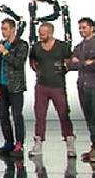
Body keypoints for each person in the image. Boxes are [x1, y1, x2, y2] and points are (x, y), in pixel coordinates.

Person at [28, 22, 76, 157]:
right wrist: (39, 71)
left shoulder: (62, 46)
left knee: (64, 114)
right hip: (41, 86)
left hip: (57, 86)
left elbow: (70, 61)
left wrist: (63, 69)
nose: (40, 36)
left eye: (43, 34)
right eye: (39, 33)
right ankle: (38, 144)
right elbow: (32, 61)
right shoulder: (36, 47)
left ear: (50, 33)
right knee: (39, 115)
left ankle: (70, 144)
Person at [67, 17, 95, 163]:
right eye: (80, 28)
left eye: (84, 27)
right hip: (82, 85)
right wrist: (85, 62)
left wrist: (79, 62)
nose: (81, 30)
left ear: (92, 28)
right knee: (89, 117)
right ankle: (94, 145)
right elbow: (70, 65)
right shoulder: (78, 47)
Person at [0, 19, 29, 158]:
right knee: (2, 115)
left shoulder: (21, 44)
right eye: (2, 29)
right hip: (2, 85)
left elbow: (19, 63)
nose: (3, 31)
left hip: (15, 86)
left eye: (5, 29)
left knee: (17, 115)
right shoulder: (2, 44)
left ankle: (19, 143)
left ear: (13, 29)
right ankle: (8, 142)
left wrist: (6, 52)